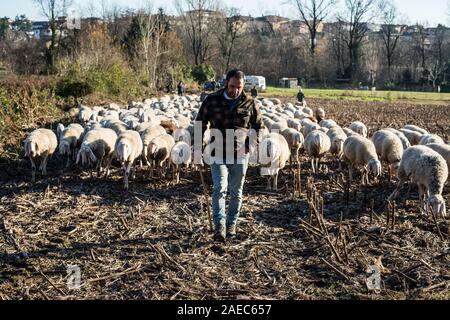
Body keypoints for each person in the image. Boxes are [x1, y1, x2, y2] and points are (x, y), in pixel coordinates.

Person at [195, 69, 264, 242]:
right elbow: (200, 123)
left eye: (239, 87)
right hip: (217, 152)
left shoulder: (250, 103)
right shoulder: (212, 100)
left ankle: (231, 225)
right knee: (219, 188)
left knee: (236, 192)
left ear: (243, 86)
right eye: (232, 86)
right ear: (226, 83)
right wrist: (197, 147)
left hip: (240, 155)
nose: (235, 90)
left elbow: (259, 127)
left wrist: (250, 145)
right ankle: (220, 227)